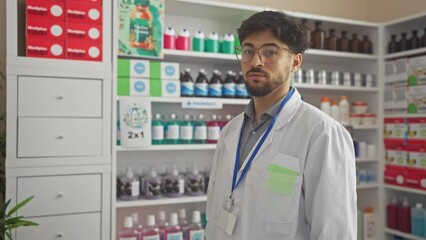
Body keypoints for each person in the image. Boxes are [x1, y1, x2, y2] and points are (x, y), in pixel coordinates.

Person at [205, 11, 357, 240]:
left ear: (295, 62)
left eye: (270, 52)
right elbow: (215, 208)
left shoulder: (322, 133)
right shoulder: (230, 131)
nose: (255, 62)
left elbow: (334, 232)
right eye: (247, 51)